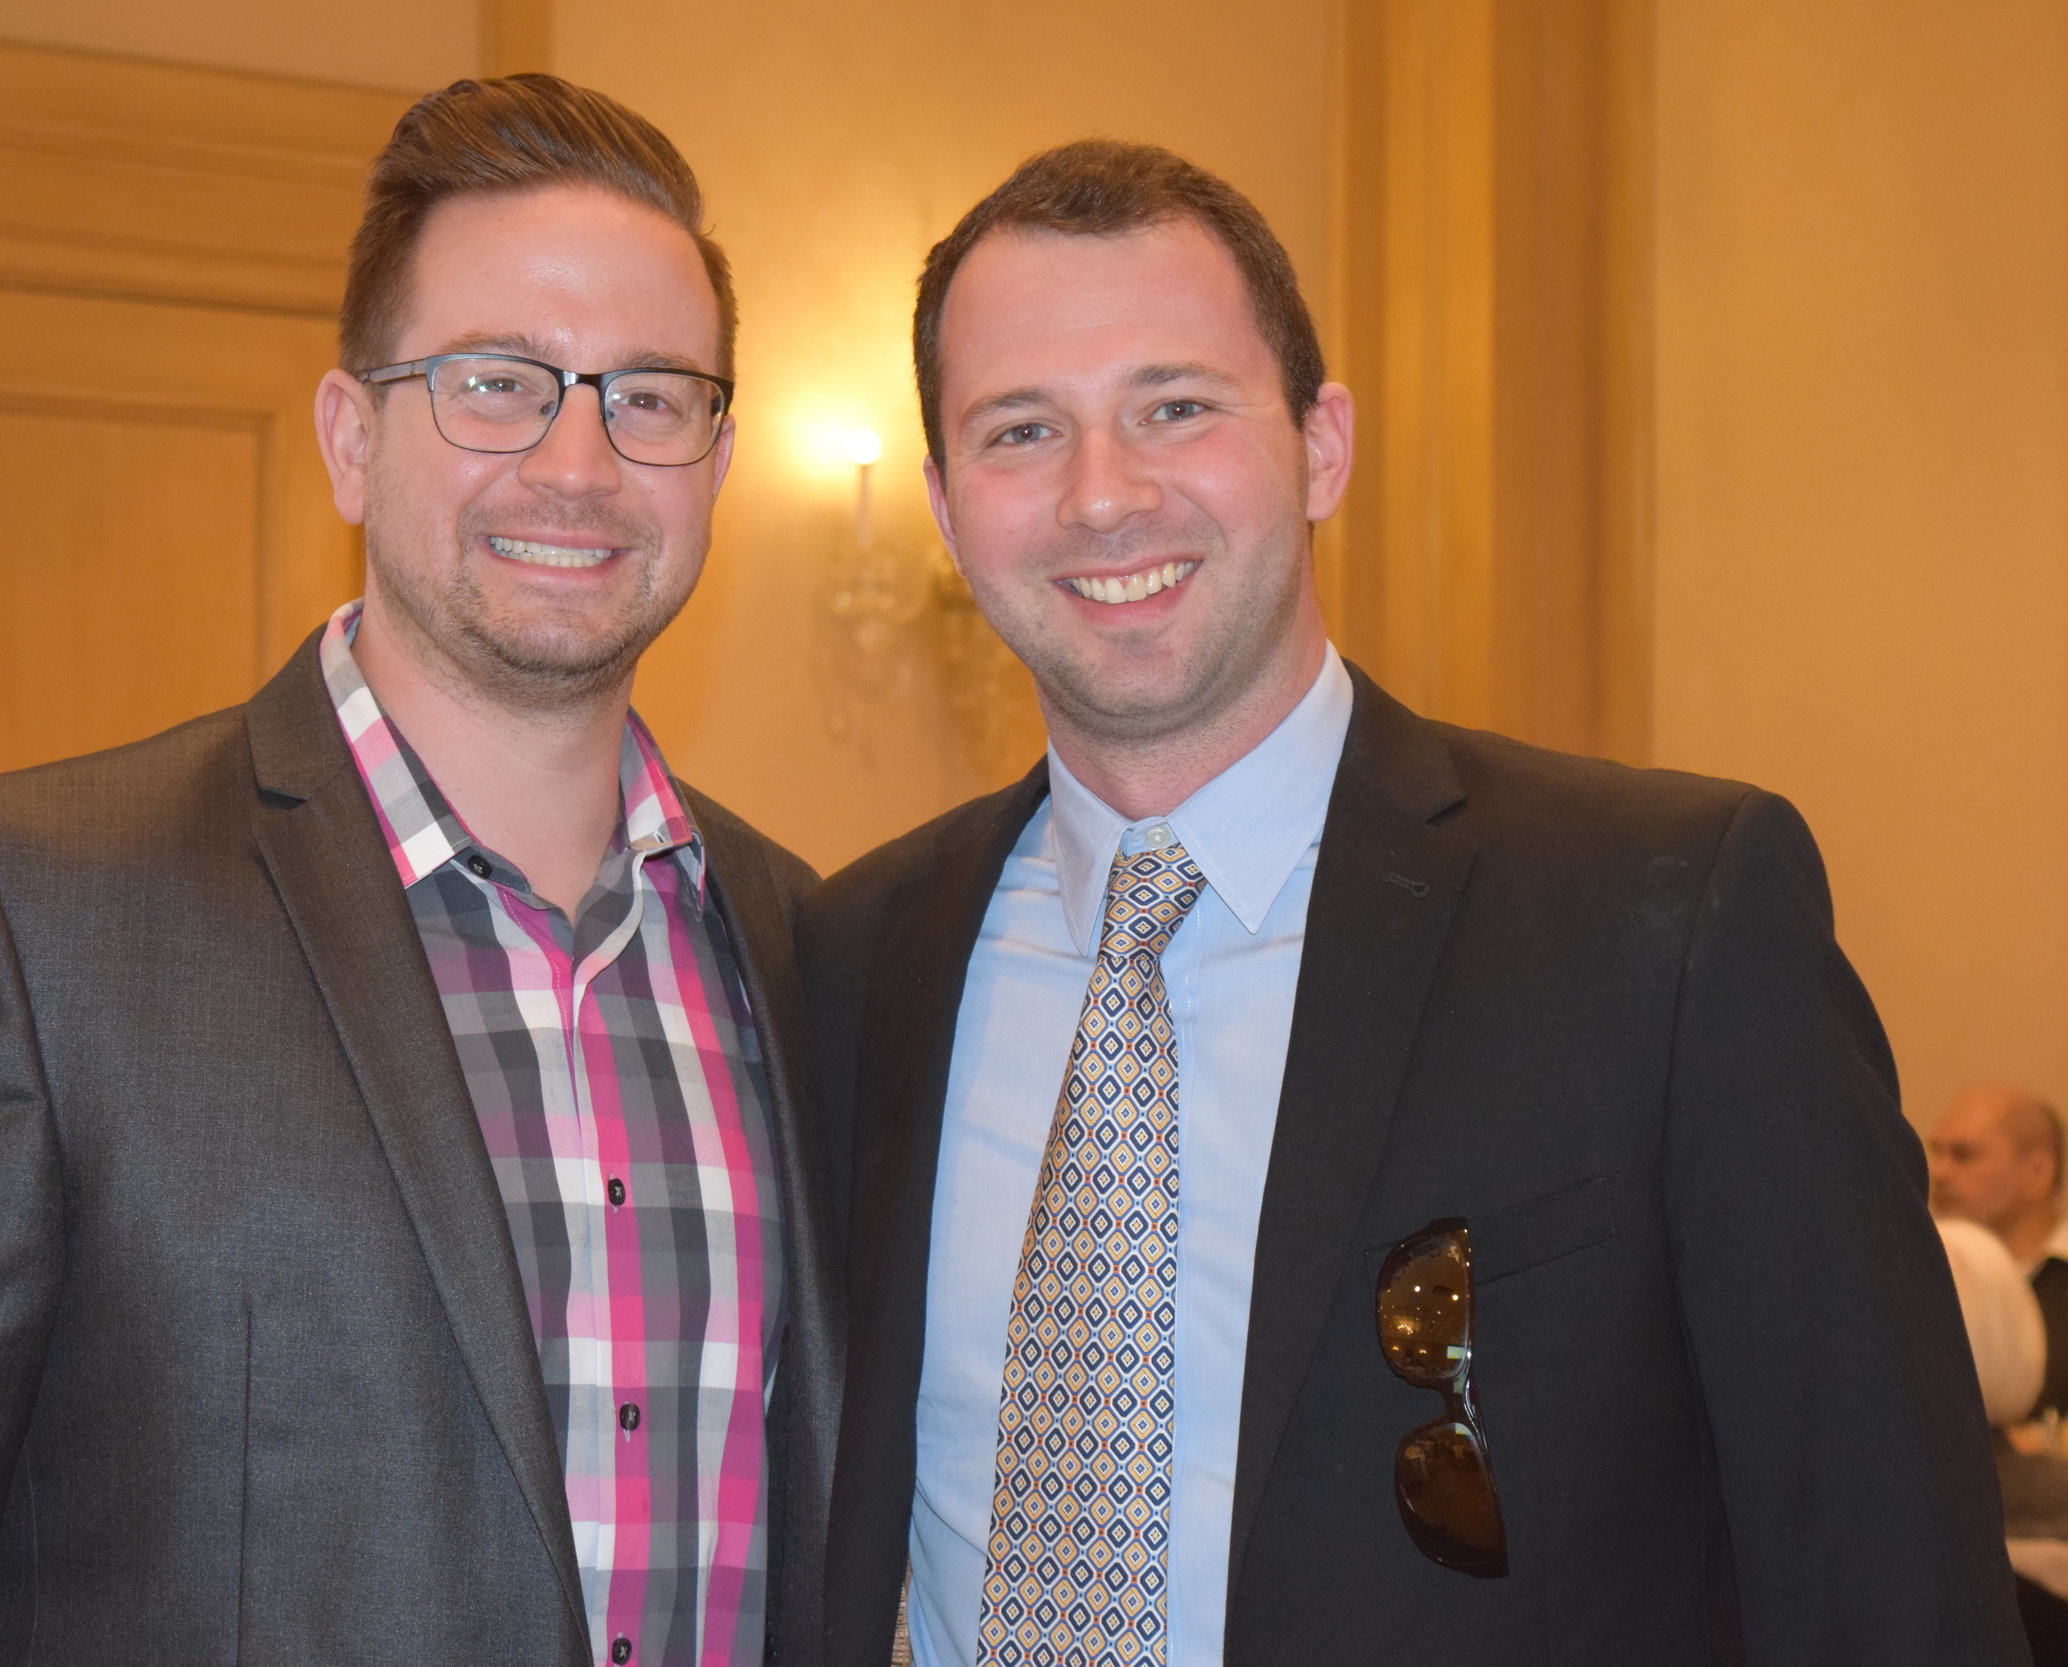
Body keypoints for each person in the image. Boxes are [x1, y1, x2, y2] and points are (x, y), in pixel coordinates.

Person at [0, 75, 838, 1667]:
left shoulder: (811, 944)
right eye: (495, 382)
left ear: (715, 458)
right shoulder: (32, 915)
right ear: (353, 436)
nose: (577, 460)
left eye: (650, 396)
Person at [803, 139, 2024, 1665]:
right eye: (1020, 429)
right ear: (942, 499)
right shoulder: (856, 958)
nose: (1102, 494)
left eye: (1175, 406)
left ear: (1322, 444)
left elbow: (1882, 1576)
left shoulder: (1667, 916)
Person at [1935, 1084, 2068, 1413]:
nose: (1939, 1172)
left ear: (2038, 1172)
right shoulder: (1923, 1275)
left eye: (1964, 1155)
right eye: (1936, 1152)